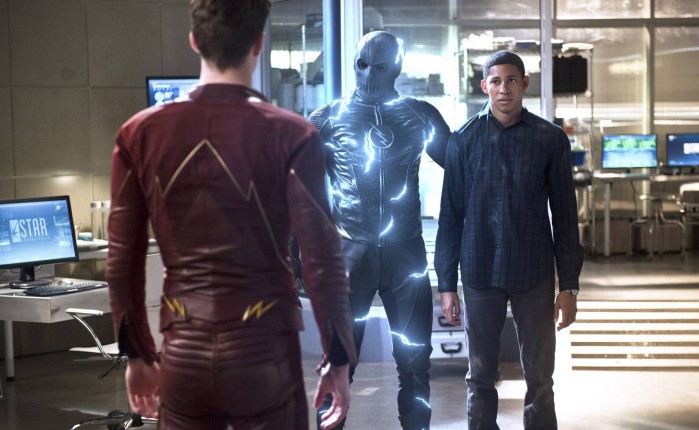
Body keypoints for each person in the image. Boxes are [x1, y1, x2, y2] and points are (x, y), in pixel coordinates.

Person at [105, 1, 357, 428]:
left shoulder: (138, 133)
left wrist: (137, 355)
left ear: (194, 42)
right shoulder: (294, 134)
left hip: (183, 352)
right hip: (266, 353)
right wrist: (339, 357)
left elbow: (121, 259)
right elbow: (322, 258)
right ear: (258, 43)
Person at [434, 49, 584, 429]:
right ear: (484, 86)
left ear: (524, 84)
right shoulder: (462, 141)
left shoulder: (550, 140)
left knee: (540, 378)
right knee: (480, 376)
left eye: (512, 80)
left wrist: (569, 286)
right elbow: (450, 217)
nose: (504, 89)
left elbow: (566, 217)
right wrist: (447, 284)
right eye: (496, 81)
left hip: (533, 272)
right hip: (480, 270)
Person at [307, 31, 451, 430]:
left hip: (405, 257)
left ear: (398, 67)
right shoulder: (327, 118)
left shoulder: (420, 115)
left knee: (415, 365)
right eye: (362, 64)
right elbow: (298, 193)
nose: (369, 74)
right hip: (351, 256)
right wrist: (300, 260)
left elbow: (464, 168)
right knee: (337, 366)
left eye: (380, 66)